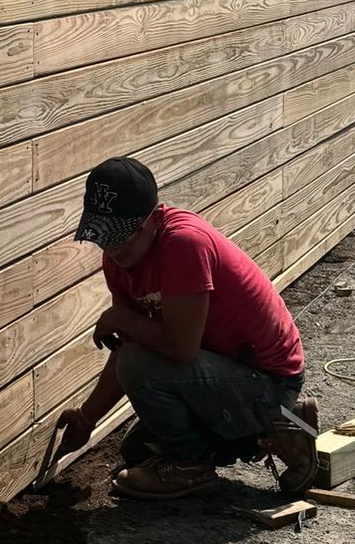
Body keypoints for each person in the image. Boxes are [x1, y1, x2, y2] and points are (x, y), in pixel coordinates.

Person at [53, 156, 317, 501]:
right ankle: (282, 426)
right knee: (138, 450)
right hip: (225, 373)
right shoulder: (121, 259)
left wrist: (119, 319)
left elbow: (180, 349)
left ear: (154, 219)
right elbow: (130, 346)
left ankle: (194, 466)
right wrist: (87, 418)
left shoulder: (183, 244)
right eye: (105, 238)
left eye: (123, 236)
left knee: (142, 376)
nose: (114, 249)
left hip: (268, 379)